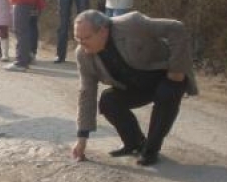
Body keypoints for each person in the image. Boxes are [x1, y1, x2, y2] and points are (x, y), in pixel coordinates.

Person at [70, 9, 198, 166]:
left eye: (86, 38)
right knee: (108, 101)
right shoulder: (83, 55)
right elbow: (86, 93)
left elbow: (176, 28)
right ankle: (135, 143)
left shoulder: (132, 24)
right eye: (77, 38)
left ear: (103, 31)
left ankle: (151, 150)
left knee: (167, 93)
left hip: (165, 75)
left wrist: (177, 69)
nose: (81, 44)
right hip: (135, 85)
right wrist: (82, 139)